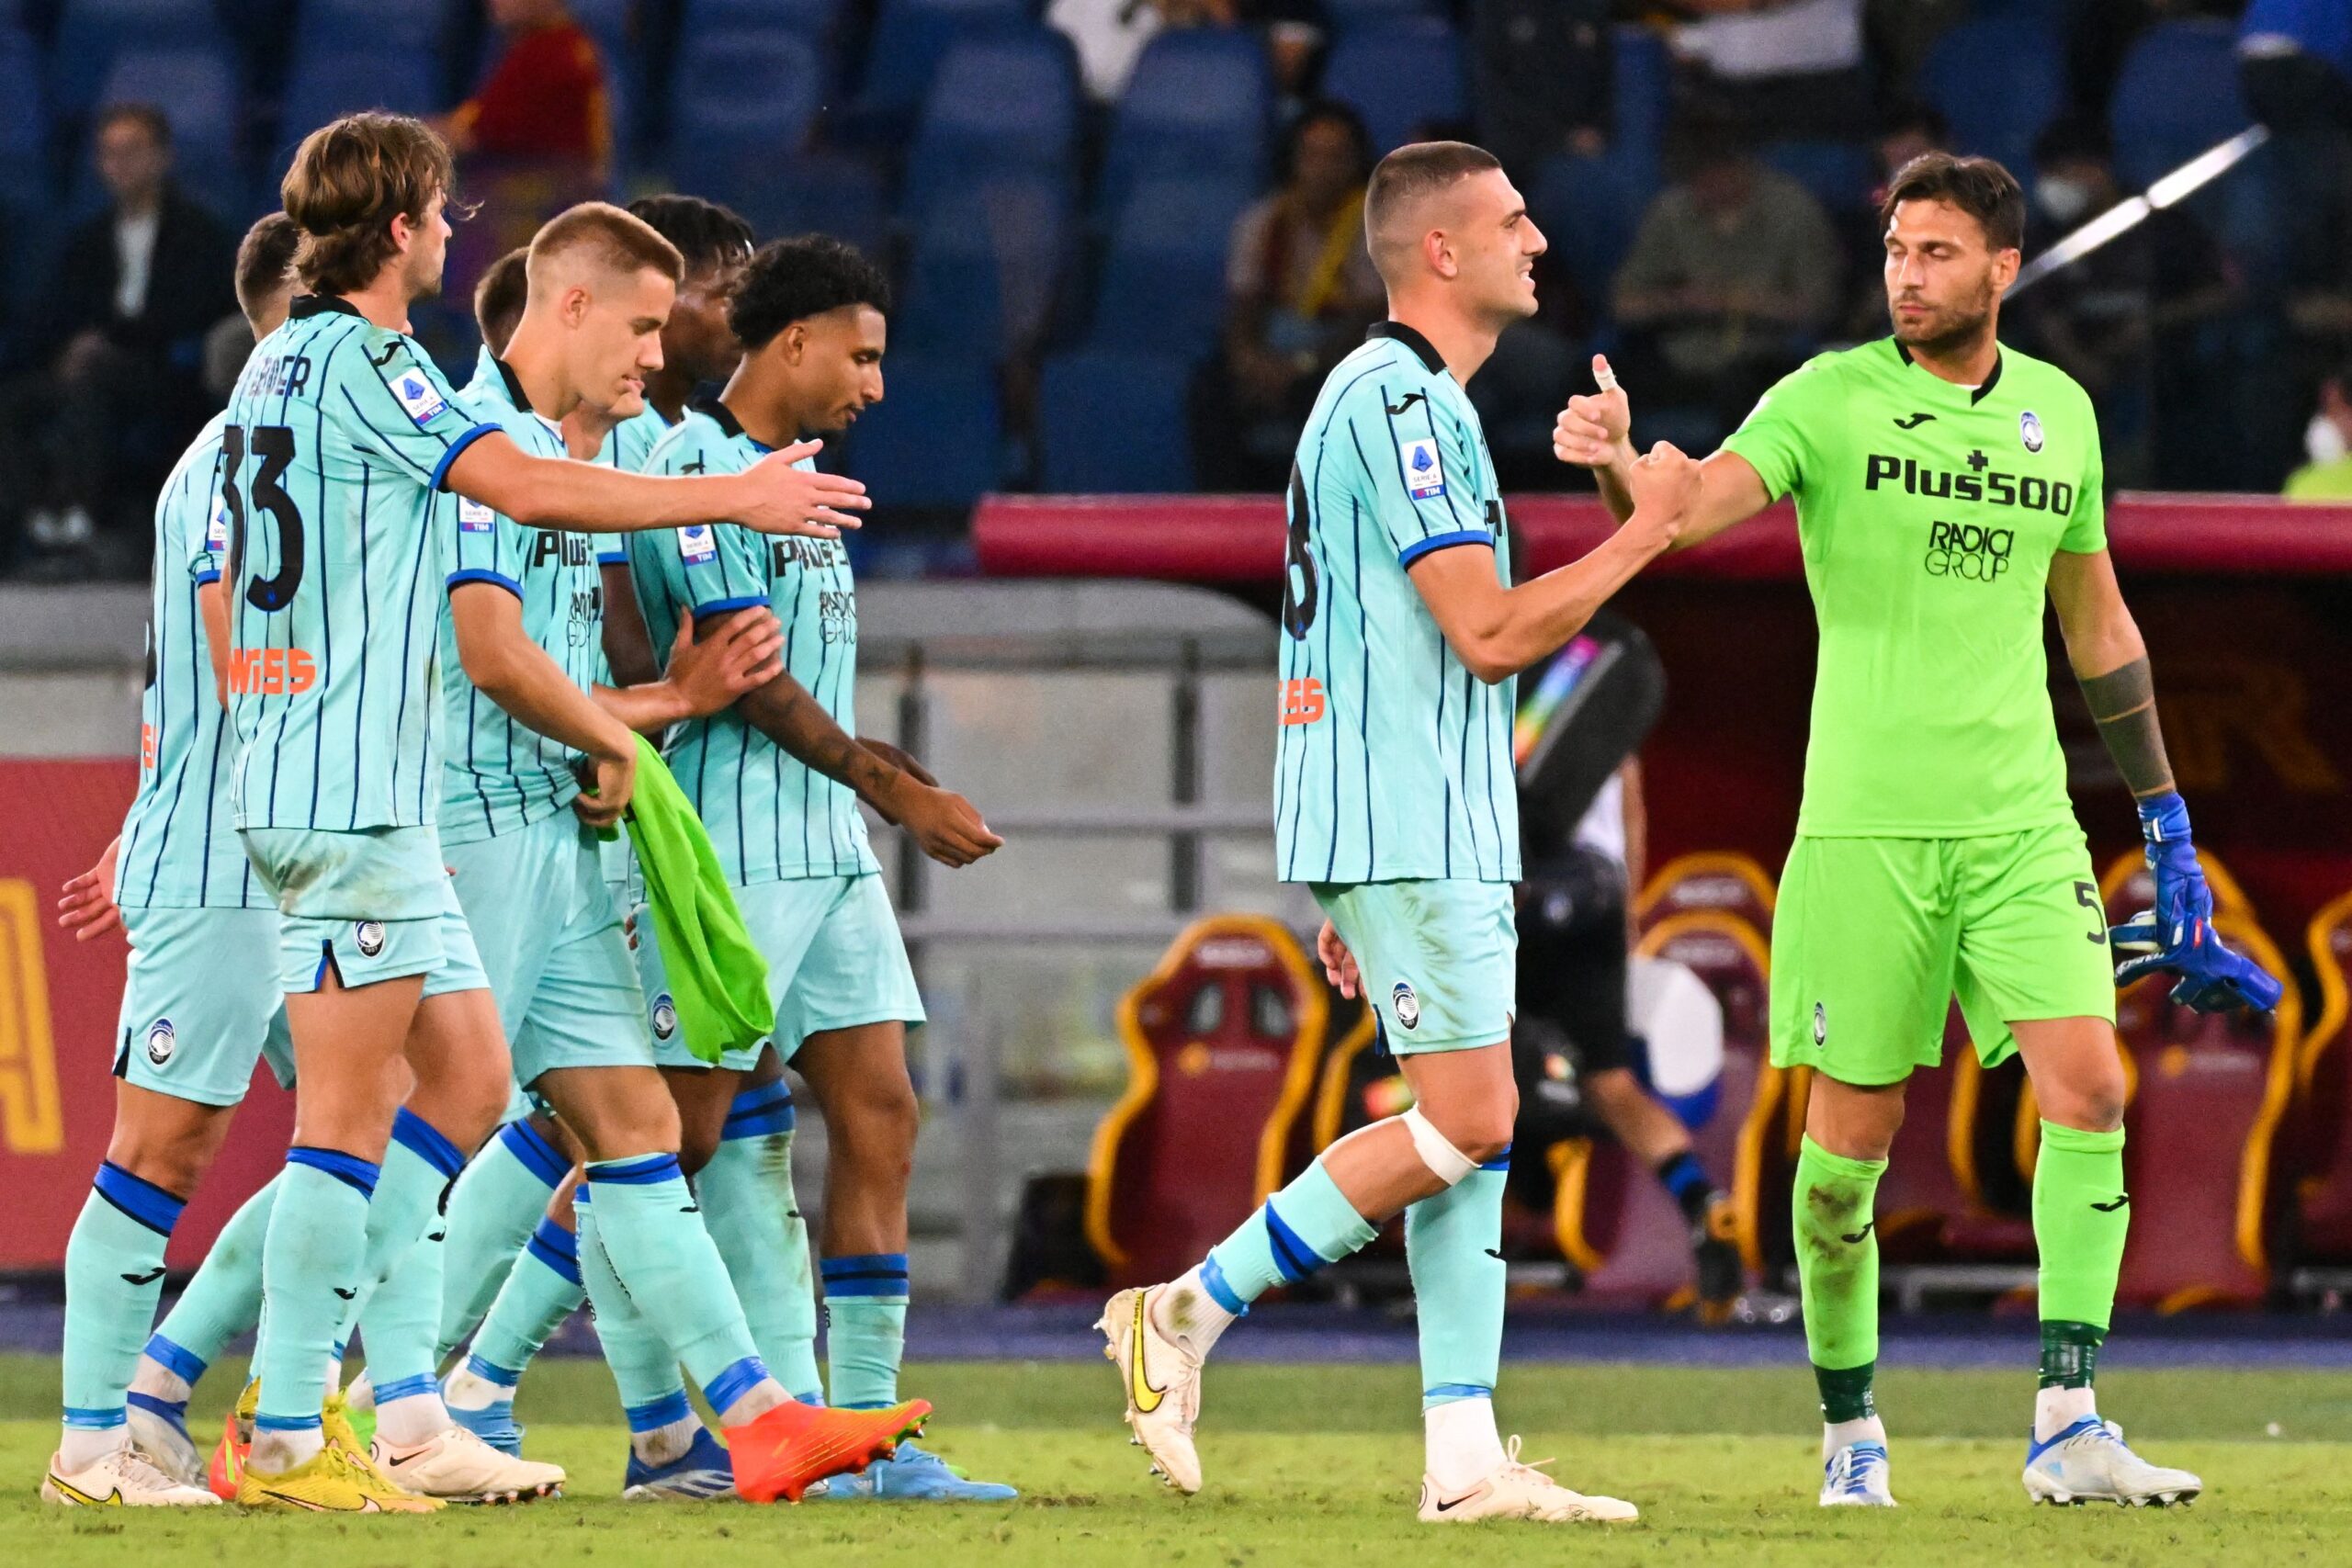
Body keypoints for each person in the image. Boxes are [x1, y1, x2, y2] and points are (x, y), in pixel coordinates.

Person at [1554, 150, 2279, 1509]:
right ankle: (1850, 1430)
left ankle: (2068, 1421)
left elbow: (2098, 624)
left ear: (2003, 268)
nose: (1907, 274)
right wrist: (1617, 467)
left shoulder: (2060, 412)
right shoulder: (1828, 398)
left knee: (2093, 1089)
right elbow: (1685, 513)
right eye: (1896, 250)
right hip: (1865, 832)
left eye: (1937, 252)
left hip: (2021, 824)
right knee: (1844, 1164)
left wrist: (2166, 814)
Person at [211, 109, 865, 1513]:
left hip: (401, 791)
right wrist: (731, 505)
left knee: (570, 1108)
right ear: (401, 226)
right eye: (443, 214)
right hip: (397, 797)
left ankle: (755, 1418)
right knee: (358, 1123)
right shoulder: (383, 369)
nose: (456, 239)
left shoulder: (281, 365)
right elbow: (507, 525)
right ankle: (265, 1411)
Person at [1102, 140, 1699, 1526]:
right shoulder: (1399, 400)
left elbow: (1391, 639)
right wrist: (1642, 534)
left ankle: (1463, 1458)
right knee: (1474, 1119)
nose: (1537, 239)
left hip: (1418, 817)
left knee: (1470, 1137)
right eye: (1511, 219)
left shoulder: (1403, 402)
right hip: (1408, 816)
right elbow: (1487, 634)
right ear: (1440, 249)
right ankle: (1185, 1310)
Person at [357, 200, 930, 1506]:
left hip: (565, 828)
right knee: (399, 1134)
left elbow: (569, 653)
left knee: (637, 1130)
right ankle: (274, 1398)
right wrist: (657, 707)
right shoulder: (485, 450)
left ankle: (752, 1420)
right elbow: (493, 657)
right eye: (646, 324)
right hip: (476, 826)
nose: (663, 350)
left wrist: (628, 724)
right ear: (570, 306)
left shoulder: (576, 458)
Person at [625, 233, 1017, 1501]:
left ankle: (866, 1438)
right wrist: (892, 789)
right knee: (663, 1140)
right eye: (861, 355)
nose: (877, 384)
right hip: (730, 847)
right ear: (792, 343)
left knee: (881, 1112)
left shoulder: (803, 482)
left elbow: (818, 688)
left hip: (824, 852)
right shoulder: (696, 469)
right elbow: (749, 676)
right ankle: (493, 1382)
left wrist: (890, 778)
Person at [40, 214, 300, 1510]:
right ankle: (95, 1445)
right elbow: (229, 655)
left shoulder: (305, 453)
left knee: (399, 1121)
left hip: (302, 850)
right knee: (160, 1150)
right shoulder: (236, 461)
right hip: (226, 856)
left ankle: (206, 1395)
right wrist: (158, 826)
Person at [1514, 759, 1744, 1321]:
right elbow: (1632, 811)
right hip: (1597, 898)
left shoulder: (1492, 703)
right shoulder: (1599, 708)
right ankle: (1703, 1201)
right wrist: (1627, 915)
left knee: (1463, 1080)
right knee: (1612, 1085)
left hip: (1519, 896)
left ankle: (1453, 1273)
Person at [8, 105, 233, 577]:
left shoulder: (200, 233)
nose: (119, 164)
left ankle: (79, 515)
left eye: (132, 151)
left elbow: (196, 310)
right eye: (109, 153)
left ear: (162, 157)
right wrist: (71, 347)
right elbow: (59, 311)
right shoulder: (87, 240)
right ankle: (29, 525)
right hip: (88, 368)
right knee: (15, 401)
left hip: (163, 372)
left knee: (94, 381)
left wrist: (109, 340)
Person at [1612, 112, 1840, 443]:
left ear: (1740, 167)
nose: (1706, 185)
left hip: (1762, 358)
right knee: (1601, 385)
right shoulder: (1672, 211)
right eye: (1696, 175)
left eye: (1715, 172)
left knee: (1746, 391)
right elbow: (1624, 304)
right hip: (1682, 354)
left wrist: (1739, 303)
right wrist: (1680, 301)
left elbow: (1820, 307)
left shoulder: (1792, 210)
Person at [1218, 102, 1385, 485]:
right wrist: (1248, 359)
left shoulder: (1376, 225)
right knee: (1212, 388)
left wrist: (1303, 365)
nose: (1323, 169)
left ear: (1357, 163)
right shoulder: (1264, 221)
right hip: (1276, 344)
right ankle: (1227, 506)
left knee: (1332, 389)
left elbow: (1373, 318)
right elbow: (1243, 308)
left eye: (1336, 157)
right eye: (1312, 156)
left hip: (1343, 352)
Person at [2283, 358, 2352, 497]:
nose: (2326, 421)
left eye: (2334, 410)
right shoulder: (2303, 482)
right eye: (2324, 411)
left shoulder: (2305, 485)